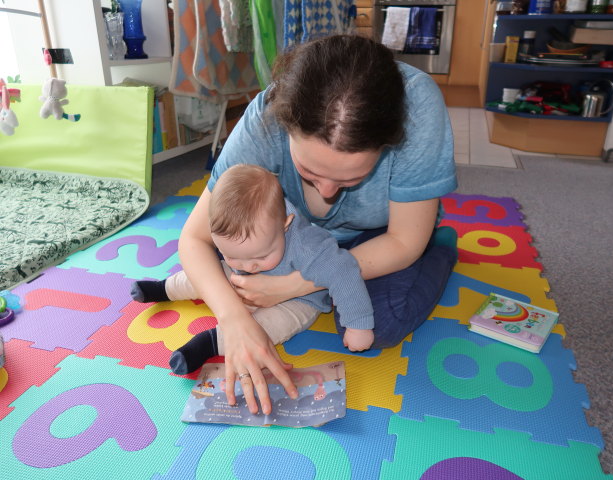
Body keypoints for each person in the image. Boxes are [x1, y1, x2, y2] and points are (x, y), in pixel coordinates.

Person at [171, 34, 458, 415]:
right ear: (286, 128)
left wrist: (292, 286)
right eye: (308, 172)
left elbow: (403, 241)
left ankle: (441, 245)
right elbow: (194, 237)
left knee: (381, 325)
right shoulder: (266, 118)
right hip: (290, 233)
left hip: (383, 235)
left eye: (351, 180)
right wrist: (234, 320)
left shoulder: (418, 109)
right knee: (233, 264)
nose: (326, 193)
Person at [131, 164, 375, 374]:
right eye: (233, 254)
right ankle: (163, 288)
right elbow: (221, 264)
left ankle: (209, 343)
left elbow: (345, 273)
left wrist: (358, 324)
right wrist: (234, 265)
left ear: (285, 225)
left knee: (269, 327)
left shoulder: (310, 247)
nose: (248, 266)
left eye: (260, 256)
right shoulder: (242, 254)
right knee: (211, 273)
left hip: (299, 301)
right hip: (243, 284)